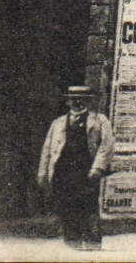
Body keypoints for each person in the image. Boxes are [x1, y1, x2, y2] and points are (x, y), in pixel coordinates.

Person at [38, 85, 112, 251]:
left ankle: (93, 242)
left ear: (90, 101)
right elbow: (48, 149)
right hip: (63, 171)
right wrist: (43, 172)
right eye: (74, 99)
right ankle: (73, 241)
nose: (78, 102)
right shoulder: (58, 123)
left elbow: (106, 146)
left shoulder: (100, 121)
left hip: (86, 170)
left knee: (89, 206)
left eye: (82, 99)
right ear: (68, 102)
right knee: (67, 205)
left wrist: (98, 168)